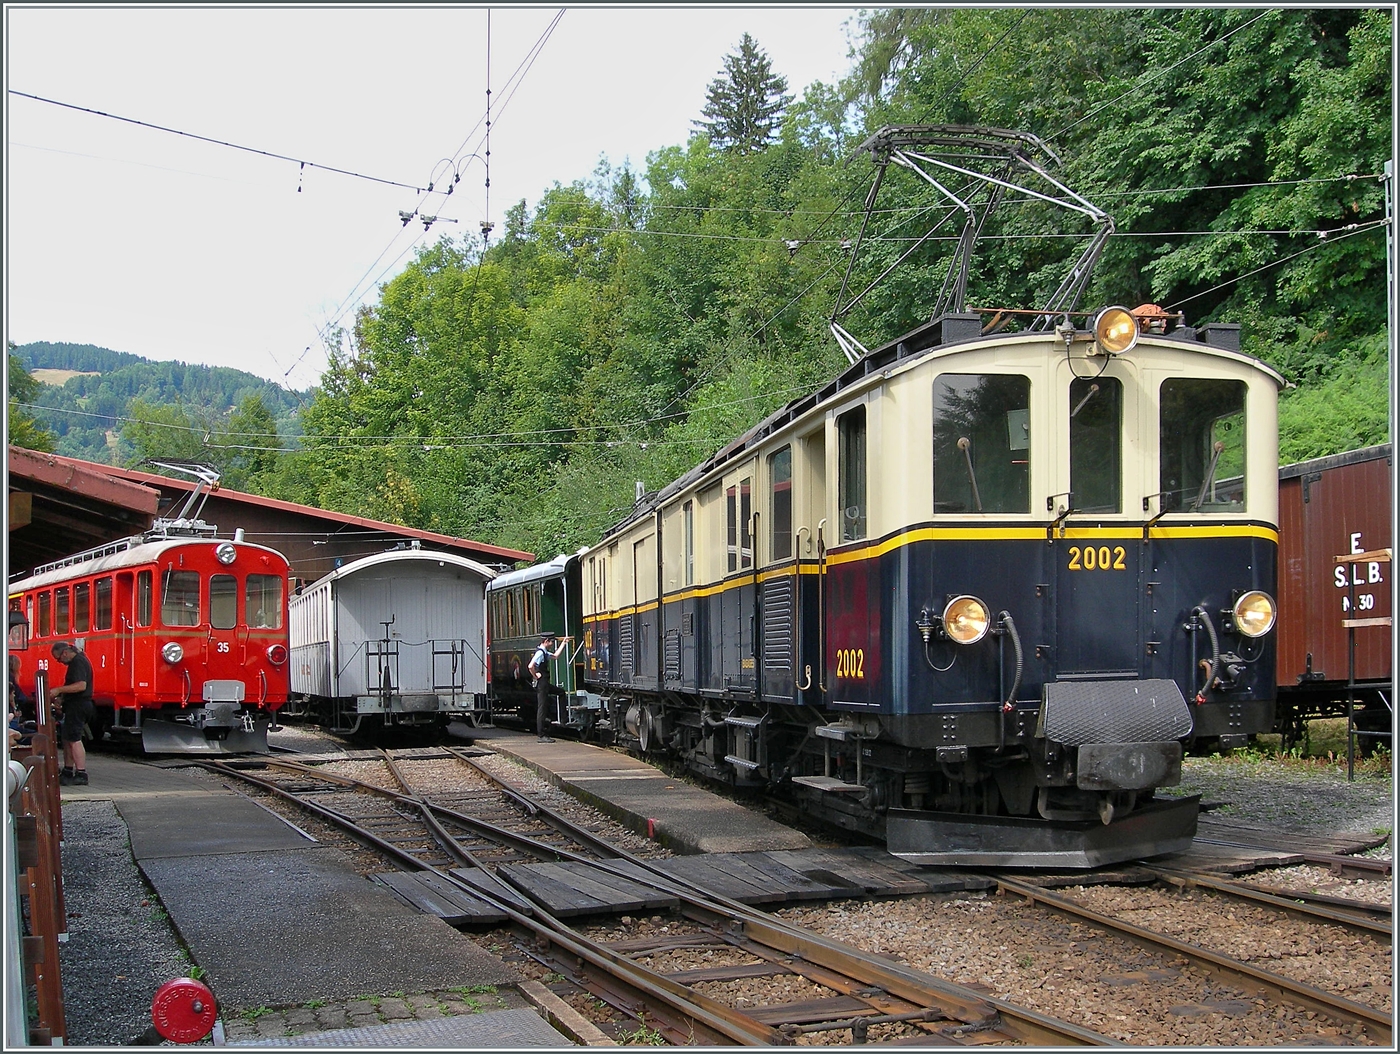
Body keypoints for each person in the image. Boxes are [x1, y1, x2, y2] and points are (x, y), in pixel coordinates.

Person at [47, 641, 94, 786]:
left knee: (74, 739)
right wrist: (62, 700)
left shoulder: (78, 662)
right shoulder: (79, 661)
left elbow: (81, 685)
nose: (60, 662)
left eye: (59, 659)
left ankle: (81, 773)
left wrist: (59, 690)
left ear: (65, 653)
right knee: (68, 738)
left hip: (79, 705)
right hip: (75, 704)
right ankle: (68, 770)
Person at [528, 631, 569, 743]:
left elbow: (555, 656)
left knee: (561, 692)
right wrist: (535, 675)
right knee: (542, 707)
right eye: (551, 642)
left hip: (545, 683)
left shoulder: (544, 652)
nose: (552, 644)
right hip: (542, 683)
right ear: (546, 641)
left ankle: (563, 719)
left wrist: (564, 643)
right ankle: (541, 735)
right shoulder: (540, 653)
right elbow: (530, 666)